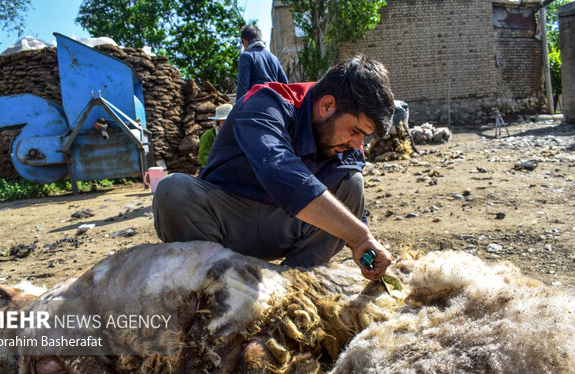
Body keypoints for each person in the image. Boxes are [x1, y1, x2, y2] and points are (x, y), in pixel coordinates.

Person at [153, 55, 395, 280]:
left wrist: (362, 244)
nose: (357, 143)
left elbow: (352, 208)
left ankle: (295, 284)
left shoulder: (348, 146)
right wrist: (360, 236)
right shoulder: (265, 104)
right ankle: (214, 283)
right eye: (355, 131)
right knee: (172, 190)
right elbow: (278, 171)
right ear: (327, 106)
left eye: (364, 136)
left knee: (352, 184)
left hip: (282, 228)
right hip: (226, 224)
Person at [236, 25, 288, 99]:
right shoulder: (274, 58)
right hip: (275, 104)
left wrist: (238, 108)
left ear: (244, 41)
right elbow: (285, 84)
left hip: (256, 105)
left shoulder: (246, 56)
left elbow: (243, 87)